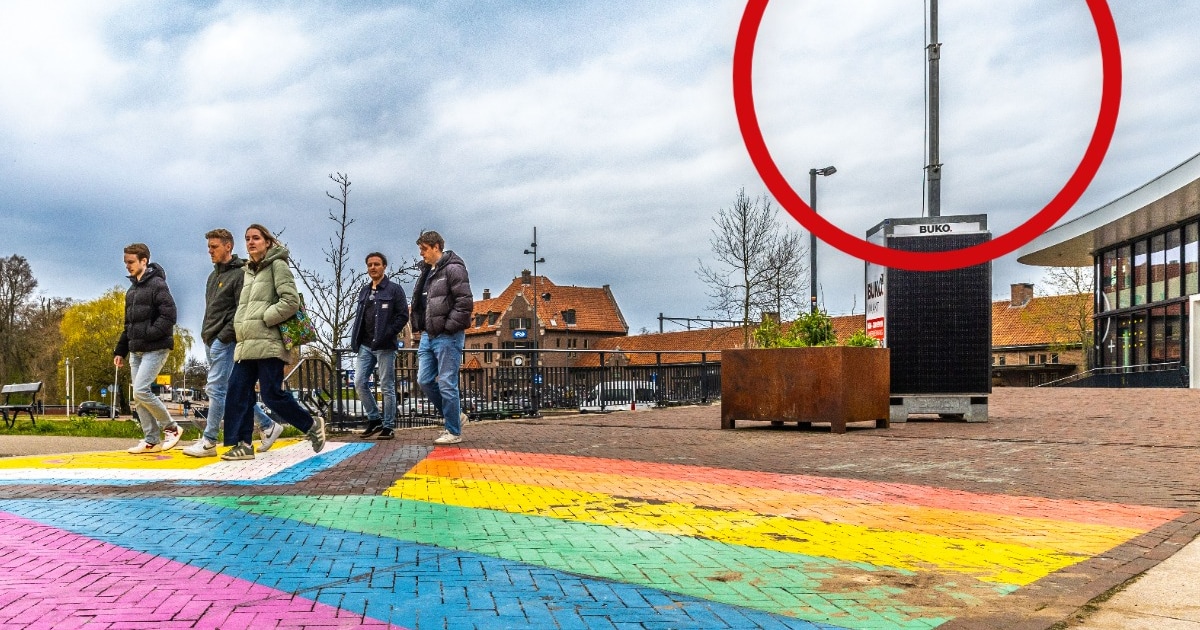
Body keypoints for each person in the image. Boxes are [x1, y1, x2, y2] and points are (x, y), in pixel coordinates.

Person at [219, 224, 325, 460]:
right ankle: (243, 444)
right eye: (247, 238)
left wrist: (266, 318)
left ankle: (310, 425)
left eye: (256, 238)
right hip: (247, 343)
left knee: (271, 394)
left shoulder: (278, 265)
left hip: (269, 342)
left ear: (267, 241)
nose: (251, 242)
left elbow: (290, 301)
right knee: (237, 391)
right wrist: (240, 325)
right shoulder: (248, 271)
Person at [183, 228, 284, 458]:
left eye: (214, 247)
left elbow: (242, 310)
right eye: (208, 247)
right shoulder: (213, 276)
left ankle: (209, 441)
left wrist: (223, 337)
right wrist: (207, 336)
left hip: (225, 342)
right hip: (211, 340)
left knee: (216, 388)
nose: (210, 251)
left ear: (228, 246)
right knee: (231, 392)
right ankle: (268, 426)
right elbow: (213, 310)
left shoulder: (240, 274)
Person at [113, 243, 185, 454]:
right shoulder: (132, 291)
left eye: (131, 262)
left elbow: (169, 315)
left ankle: (171, 428)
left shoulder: (158, 285)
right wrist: (120, 351)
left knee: (142, 390)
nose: (128, 266)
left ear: (144, 261)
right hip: (136, 350)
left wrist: (150, 334)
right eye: (125, 262)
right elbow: (129, 325)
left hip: (156, 348)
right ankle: (151, 440)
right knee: (138, 395)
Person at [411, 231, 473, 444]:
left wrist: (448, 327)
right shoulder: (428, 272)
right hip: (429, 335)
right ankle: (455, 415)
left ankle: (454, 431)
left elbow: (464, 303)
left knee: (447, 382)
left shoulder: (454, 269)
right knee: (424, 380)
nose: (422, 254)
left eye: (424, 249)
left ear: (436, 246)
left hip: (448, 335)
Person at [350, 252, 409, 440]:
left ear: (384, 266)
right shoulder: (364, 291)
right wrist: (355, 340)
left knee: (386, 386)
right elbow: (360, 317)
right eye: (369, 265)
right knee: (359, 382)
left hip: (385, 346)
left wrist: (388, 333)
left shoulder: (394, 290)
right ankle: (374, 419)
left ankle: (389, 426)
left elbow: (402, 316)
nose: (373, 268)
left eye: (376, 264)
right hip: (365, 345)